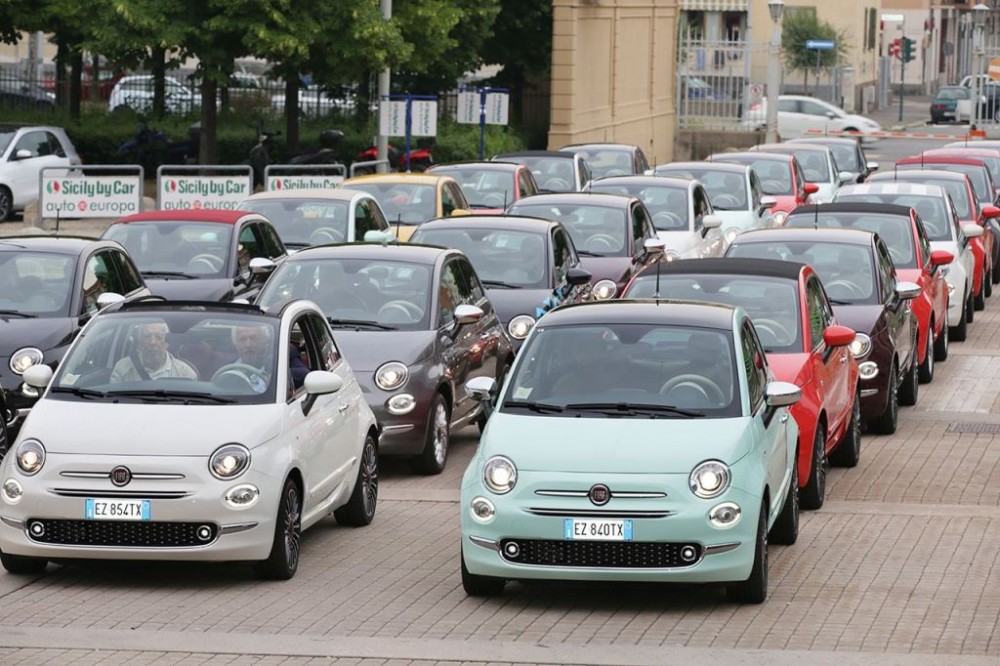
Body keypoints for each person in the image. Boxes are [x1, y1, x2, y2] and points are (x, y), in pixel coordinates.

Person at [111, 321, 198, 382]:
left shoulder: (186, 374)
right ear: (139, 341)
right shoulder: (122, 369)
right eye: (147, 336)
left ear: (167, 342)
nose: (153, 342)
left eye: (159, 337)